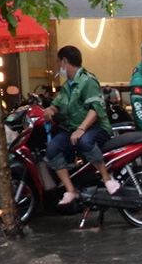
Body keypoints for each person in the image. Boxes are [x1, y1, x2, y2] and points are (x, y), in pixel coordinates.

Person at [46, 45, 120, 205]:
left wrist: (81, 129)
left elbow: (95, 109)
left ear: (65, 61)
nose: (59, 66)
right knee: (52, 148)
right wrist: (50, 110)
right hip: (73, 130)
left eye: (59, 62)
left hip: (96, 128)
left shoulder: (88, 81)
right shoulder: (67, 86)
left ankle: (107, 178)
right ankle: (71, 190)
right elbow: (57, 104)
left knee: (85, 141)